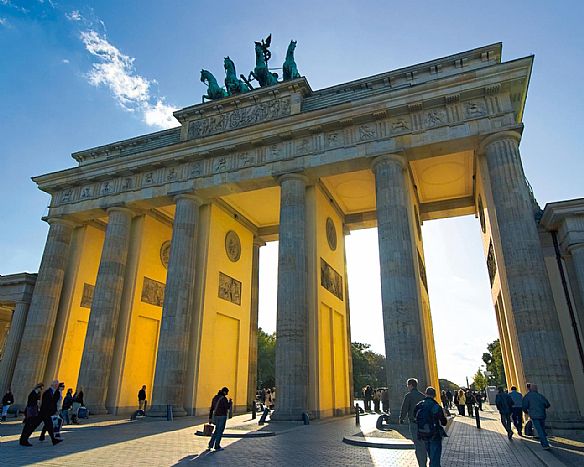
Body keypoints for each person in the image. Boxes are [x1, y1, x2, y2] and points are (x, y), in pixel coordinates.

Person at [20, 380, 63, 446]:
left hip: (45, 413)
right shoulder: (46, 392)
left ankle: (52, 439)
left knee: (49, 425)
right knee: (33, 426)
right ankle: (24, 439)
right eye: (56, 384)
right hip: (40, 412)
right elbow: (43, 403)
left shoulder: (55, 392)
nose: (57, 386)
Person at [414, 387, 448, 467]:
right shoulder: (436, 406)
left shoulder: (420, 404)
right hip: (434, 434)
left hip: (423, 433)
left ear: (426, 394)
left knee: (430, 455)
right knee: (435, 459)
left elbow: (414, 417)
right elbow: (444, 422)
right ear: (434, 395)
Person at [399, 378, 427, 467]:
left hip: (414, 423)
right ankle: (424, 462)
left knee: (418, 445)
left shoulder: (409, 396)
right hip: (423, 424)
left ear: (411, 385)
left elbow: (404, 408)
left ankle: (421, 464)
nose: (407, 387)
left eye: (408, 385)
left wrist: (401, 418)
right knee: (423, 444)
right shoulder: (423, 396)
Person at [522, 383, 551, 450]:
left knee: (539, 430)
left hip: (534, 415)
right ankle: (545, 441)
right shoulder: (540, 396)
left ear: (529, 389)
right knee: (542, 429)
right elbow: (547, 404)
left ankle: (545, 444)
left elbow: (524, 406)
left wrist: (527, 412)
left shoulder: (527, 396)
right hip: (542, 414)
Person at [208, 387, 230, 451]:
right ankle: (217, 446)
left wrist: (210, 418)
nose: (227, 393)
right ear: (224, 392)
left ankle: (210, 444)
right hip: (222, 416)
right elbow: (227, 407)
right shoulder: (224, 399)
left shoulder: (215, 398)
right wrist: (230, 403)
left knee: (216, 430)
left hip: (216, 416)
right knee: (220, 431)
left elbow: (212, 408)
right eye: (227, 392)